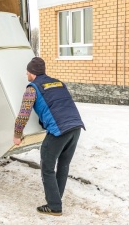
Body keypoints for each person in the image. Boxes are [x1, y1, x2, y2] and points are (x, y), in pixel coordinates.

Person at [13, 57, 85, 216]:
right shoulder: (58, 83)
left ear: (32, 73)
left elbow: (23, 114)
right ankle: (56, 199)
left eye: (27, 71)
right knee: (63, 165)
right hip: (75, 127)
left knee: (47, 166)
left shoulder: (32, 88)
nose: (26, 74)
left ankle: (54, 206)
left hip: (59, 130)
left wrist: (17, 135)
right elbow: (59, 104)